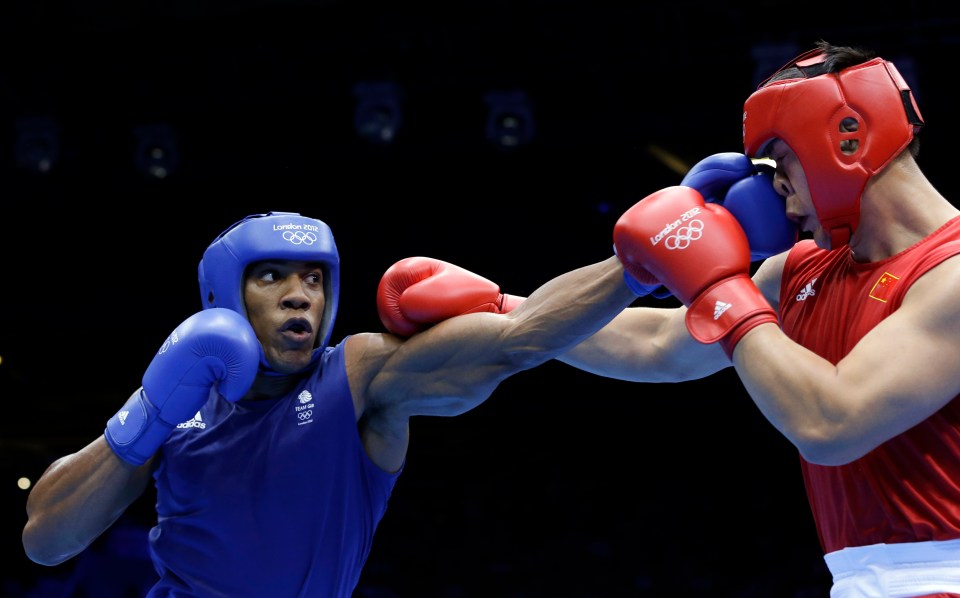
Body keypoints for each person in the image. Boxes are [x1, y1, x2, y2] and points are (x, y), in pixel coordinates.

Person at [21, 210, 640, 597]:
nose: (300, 297)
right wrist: (147, 416)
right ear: (222, 297)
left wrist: (635, 264)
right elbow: (45, 540)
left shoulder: (359, 373)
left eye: (313, 279)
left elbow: (517, 339)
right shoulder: (177, 398)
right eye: (272, 277)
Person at [561, 40, 960, 596]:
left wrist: (719, 286)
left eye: (780, 157)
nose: (771, 186)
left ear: (848, 137)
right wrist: (505, 314)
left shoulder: (953, 275)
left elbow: (832, 422)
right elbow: (655, 345)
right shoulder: (802, 269)